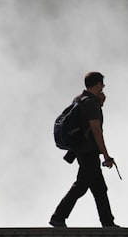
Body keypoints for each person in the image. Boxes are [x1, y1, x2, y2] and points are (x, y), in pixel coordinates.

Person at [49, 71, 118, 228]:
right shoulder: (91, 103)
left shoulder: (79, 100)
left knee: (99, 188)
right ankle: (58, 217)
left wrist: (99, 104)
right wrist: (106, 156)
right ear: (98, 84)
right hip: (89, 152)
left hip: (80, 150)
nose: (103, 89)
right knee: (81, 186)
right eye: (102, 85)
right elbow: (95, 130)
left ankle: (108, 222)